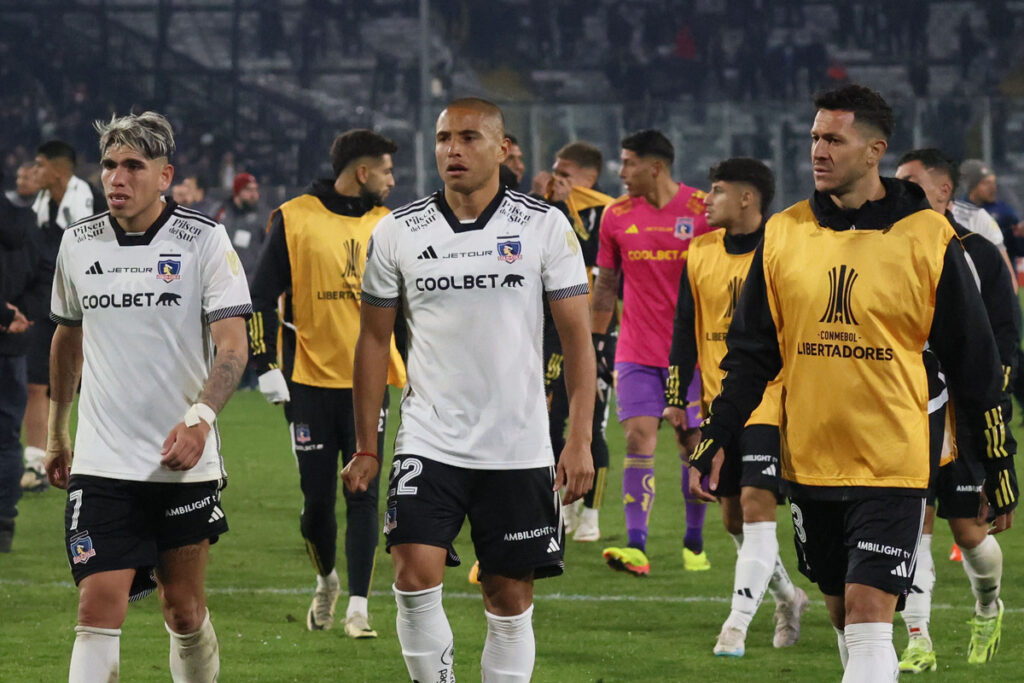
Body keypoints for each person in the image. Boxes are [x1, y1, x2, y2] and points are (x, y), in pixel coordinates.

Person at [691, 85, 1017, 683]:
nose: (818, 150)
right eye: (815, 137)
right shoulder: (784, 233)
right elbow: (751, 354)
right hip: (810, 462)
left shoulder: (925, 237)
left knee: (869, 619)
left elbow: (975, 365)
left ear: (874, 151)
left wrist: (997, 463)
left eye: (833, 139)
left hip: (893, 463)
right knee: (845, 620)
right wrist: (715, 434)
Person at [342, 97, 595, 682]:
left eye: (470, 138)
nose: (453, 150)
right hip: (429, 439)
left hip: (518, 445)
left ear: (504, 149)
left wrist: (577, 441)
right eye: (443, 138)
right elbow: (374, 342)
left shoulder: (544, 226)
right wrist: (367, 445)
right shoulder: (398, 231)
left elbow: (578, 344)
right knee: (413, 573)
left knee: (508, 600)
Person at [43, 111, 251, 682]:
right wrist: (59, 429)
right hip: (102, 461)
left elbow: (233, 347)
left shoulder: (203, 241)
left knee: (181, 608)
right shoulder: (77, 244)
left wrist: (201, 419)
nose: (117, 177)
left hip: (181, 461)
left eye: (134, 165)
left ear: (165, 176)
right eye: (109, 165)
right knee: (96, 605)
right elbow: (67, 336)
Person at [248, 129, 407, 638]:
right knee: (317, 500)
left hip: (371, 383)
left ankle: (359, 607)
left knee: (364, 494)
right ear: (362, 173)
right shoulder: (293, 218)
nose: (392, 180)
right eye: (385, 170)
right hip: (309, 383)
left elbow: (409, 309)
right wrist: (265, 365)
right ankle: (327, 580)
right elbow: (259, 298)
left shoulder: (390, 224)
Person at [666, 158, 808, 657]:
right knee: (732, 521)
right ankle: (789, 597)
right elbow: (685, 329)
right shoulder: (699, 251)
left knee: (756, 507)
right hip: (718, 404)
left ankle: (736, 627)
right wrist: (675, 399)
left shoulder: (784, 248)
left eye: (718, 190)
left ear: (749, 198)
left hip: (772, 396)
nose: (707, 198)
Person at [893, 148, 1018, 671]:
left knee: (970, 534)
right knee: (909, 524)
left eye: (913, 185)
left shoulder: (980, 254)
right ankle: (918, 638)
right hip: (906, 407)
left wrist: (990, 420)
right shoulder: (884, 248)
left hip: (964, 412)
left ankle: (988, 605)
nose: (900, 194)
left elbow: (1004, 340)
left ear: (945, 193)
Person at [593, 129, 711, 576]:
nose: (620, 173)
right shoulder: (616, 216)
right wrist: (597, 341)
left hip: (692, 356)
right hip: (635, 350)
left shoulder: (703, 211)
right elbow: (605, 285)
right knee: (639, 437)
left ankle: (694, 542)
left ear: (655, 166)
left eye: (627, 163)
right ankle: (636, 545)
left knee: (690, 444)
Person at [533, 140, 615, 542]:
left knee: (591, 425)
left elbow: (587, 252)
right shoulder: (547, 208)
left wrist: (564, 207)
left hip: (593, 331)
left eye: (564, 173)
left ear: (588, 178)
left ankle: (593, 515)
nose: (556, 179)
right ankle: (561, 506)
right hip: (551, 327)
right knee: (548, 421)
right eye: (555, 172)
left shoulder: (607, 212)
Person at [21, 140, 105, 492]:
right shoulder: (38, 207)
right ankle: (35, 461)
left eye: (39, 165)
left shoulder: (93, 205)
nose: (33, 172)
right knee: (37, 384)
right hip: (44, 305)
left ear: (58, 170)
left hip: (88, 309)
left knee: (89, 387)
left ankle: (91, 459)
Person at [0, 182, 50, 552]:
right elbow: (46, 272)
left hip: (9, 338)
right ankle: (4, 524)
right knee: (6, 441)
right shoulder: (29, 224)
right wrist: (21, 316)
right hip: (11, 349)